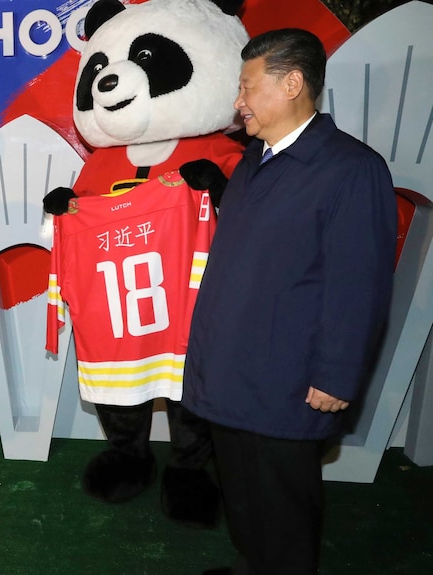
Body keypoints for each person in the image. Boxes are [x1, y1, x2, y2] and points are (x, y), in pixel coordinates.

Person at [181, 29, 396, 575]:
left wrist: (337, 375)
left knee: (282, 504)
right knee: (244, 494)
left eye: (248, 86)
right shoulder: (256, 160)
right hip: (232, 370)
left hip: (288, 378)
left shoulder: (352, 169)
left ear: (292, 83)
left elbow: (360, 283)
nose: (239, 101)